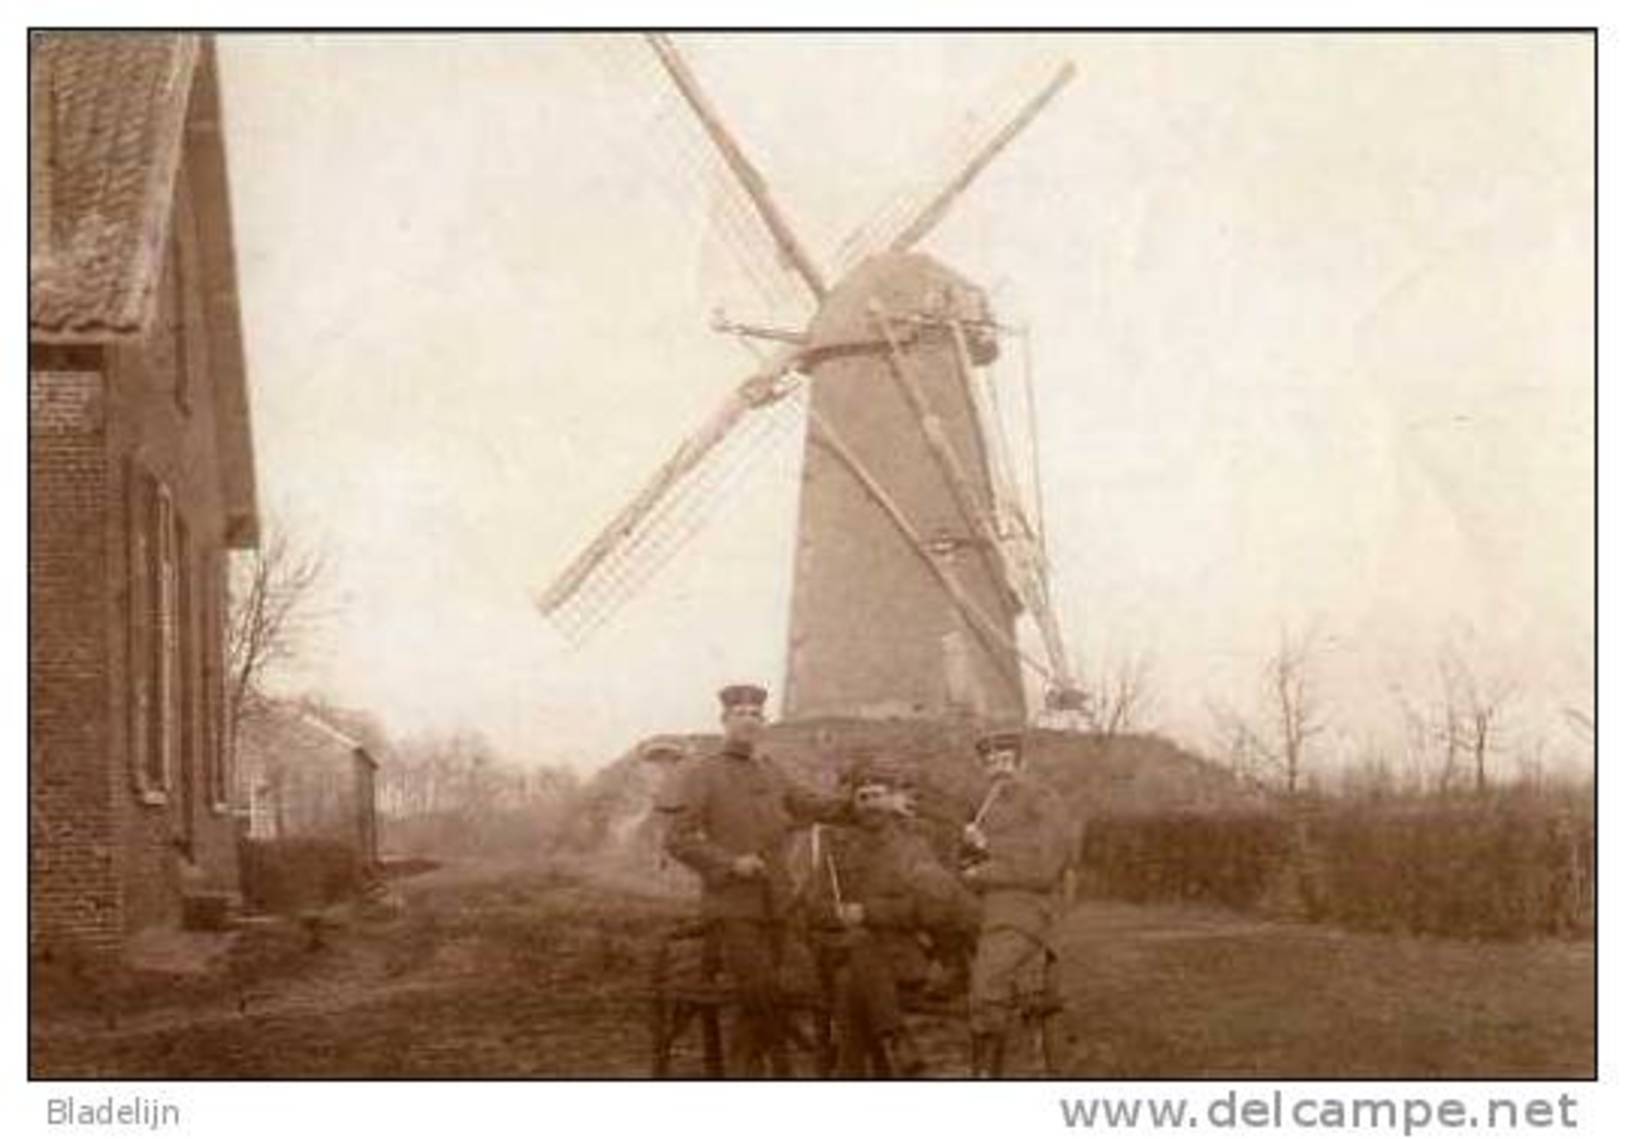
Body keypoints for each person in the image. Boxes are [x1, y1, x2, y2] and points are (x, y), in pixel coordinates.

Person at [663, 683, 846, 1076]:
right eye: (740, 715)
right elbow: (678, 839)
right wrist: (729, 864)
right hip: (732, 907)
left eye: (755, 715)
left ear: (763, 723)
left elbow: (814, 805)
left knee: (769, 994)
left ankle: (749, 1069)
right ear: (725, 721)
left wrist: (859, 798)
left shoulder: (772, 770)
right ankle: (782, 1070)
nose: (749, 721)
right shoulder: (703, 774)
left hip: (778, 904)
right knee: (761, 990)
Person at [811, 757, 979, 1077]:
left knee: (850, 976)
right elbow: (813, 907)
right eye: (863, 798)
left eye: (877, 796)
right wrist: (837, 913)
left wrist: (868, 912)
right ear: (854, 804)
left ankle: (852, 1073)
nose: (870, 805)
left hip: (903, 957)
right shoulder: (839, 848)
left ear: (890, 800)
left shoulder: (913, 847)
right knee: (851, 971)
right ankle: (894, 1040)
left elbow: (927, 909)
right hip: (850, 953)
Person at [959, 727, 1074, 1076]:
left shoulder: (1043, 800)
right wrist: (968, 860)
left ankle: (986, 1078)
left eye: (1006, 760)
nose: (998, 768)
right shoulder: (981, 808)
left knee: (986, 988)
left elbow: (1043, 867)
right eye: (990, 761)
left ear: (1023, 763)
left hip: (1024, 908)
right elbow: (964, 867)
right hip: (981, 908)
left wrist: (986, 854)